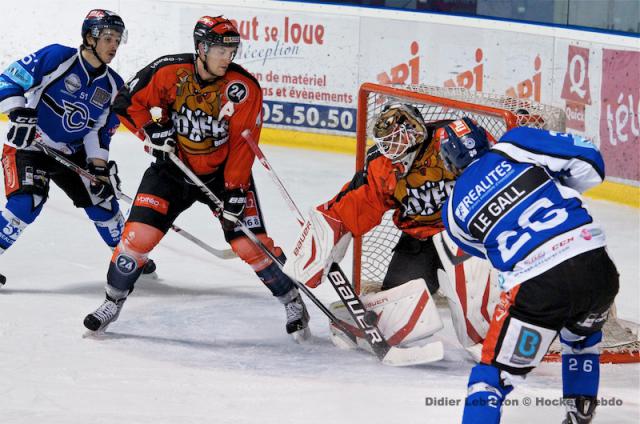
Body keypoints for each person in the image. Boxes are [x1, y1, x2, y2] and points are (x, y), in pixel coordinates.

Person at [82, 15, 310, 341]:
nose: (228, 57)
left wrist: (234, 190)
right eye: (220, 50)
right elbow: (127, 102)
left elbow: (244, 145)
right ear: (201, 48)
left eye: (232, 50)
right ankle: (111, 302)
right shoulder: (168, 71)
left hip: (222, 174)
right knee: (136, 239)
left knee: (248, 244)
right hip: (172, 171)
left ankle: (291, 299)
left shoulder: (243, 89)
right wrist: (150, 132)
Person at [438, 118, 619, 424]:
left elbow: (491, 253)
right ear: (487, 137)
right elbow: (592, 162)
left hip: (538, 286)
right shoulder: (516, 143)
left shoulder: (452, 213)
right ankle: (579, 416)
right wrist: (557, 188)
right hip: (597, 267)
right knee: (581, 341)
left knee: (490, 377)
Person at [284, 103, 498, 355]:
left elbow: (496, 175)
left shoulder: (452, 141)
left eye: (396, 140)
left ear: (413, 131)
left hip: (467, 235)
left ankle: (507, 333)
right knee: (394, 319)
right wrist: (328, 234)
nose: (391, 149)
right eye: (387, 143)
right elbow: (358, 202)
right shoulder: (383, 166)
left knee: (479, 314)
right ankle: (350, 321)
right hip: (419, 239)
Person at [0, 9, 153, 286]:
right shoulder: (58, 57)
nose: (114, 46)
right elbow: (8, 80)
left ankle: (127, 255)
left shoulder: (113, 85)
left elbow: (99, 132)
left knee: (103, 201)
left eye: (118, 39)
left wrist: (98, 168)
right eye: (108, 38)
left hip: (71, 151)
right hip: (29, 146)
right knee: (27, 202)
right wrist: (17, 110)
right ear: (89, 38)